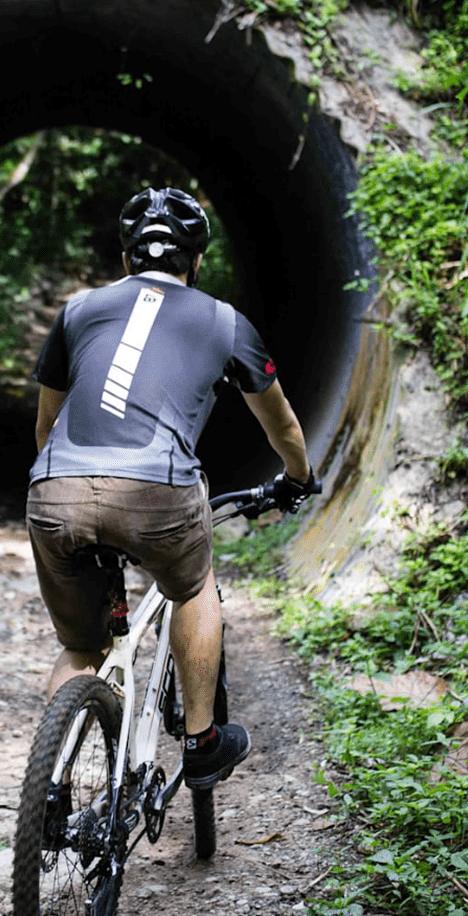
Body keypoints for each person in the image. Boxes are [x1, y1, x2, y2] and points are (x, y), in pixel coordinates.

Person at [27, 187, 321, 789]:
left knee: (82, 649)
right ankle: (202, 741)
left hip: (55, 488)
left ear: (128, 259)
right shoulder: (223, 320)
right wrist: (299, 476)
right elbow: (282, 423)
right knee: (193, 588)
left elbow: (46, 424)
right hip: (157, 491)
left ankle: (49, 790)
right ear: (196, 261)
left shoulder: (79, 311)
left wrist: (79, 492)